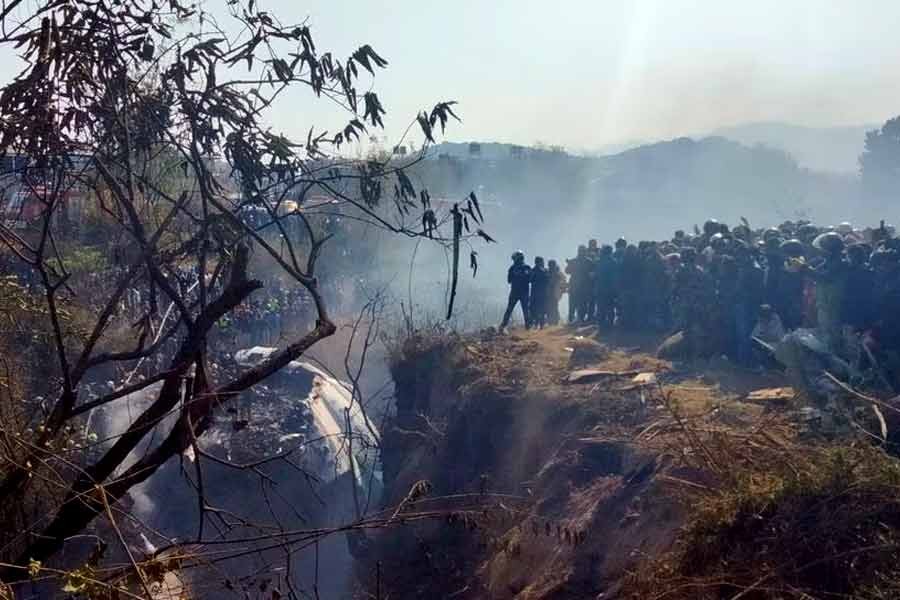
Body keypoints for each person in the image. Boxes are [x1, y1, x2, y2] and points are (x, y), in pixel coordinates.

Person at [500, 250, 532, 331]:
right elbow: (530, 279)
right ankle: (528, 327)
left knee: (510, 309)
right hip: (522, 292)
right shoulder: (526, 267)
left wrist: (517, 275)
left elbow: (509, 280)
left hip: (516, 292)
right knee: (525, 310)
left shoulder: (514, 268)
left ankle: (503, 326)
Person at [529, 256, 550, 329]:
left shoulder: (532, 270)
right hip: (542, 293)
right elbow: (548, 280)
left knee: (534, 309)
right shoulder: (544, 271)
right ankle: (540, 324)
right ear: (540, 262)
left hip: (535, 293)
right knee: (541, 309)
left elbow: (530, 280)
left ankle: (536, 324)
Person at [546, 259, 567, 326]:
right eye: (550, 265)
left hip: (555, 292)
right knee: (550, 307)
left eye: (552, 265)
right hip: (549, 292)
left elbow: (563, 281)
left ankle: (555, 321)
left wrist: (563, 289)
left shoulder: (558, 273)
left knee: (554, 306)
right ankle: (551, 321)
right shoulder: (547, 272)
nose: (551, 266)